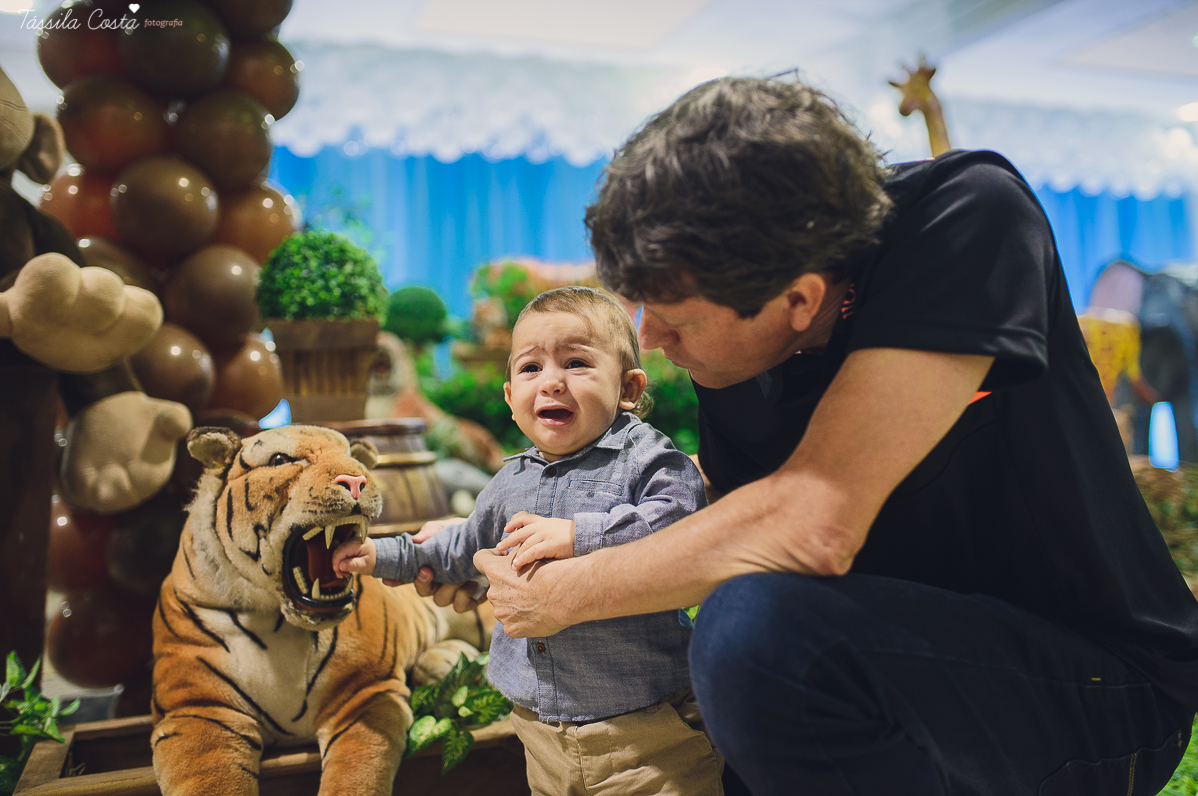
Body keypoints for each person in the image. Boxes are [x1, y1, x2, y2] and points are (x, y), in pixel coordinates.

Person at [442, 77, 1198, 795]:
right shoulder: (736, 335)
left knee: (759, 634)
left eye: (674, 318)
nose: (654, 340)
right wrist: (529, 539)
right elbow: (725, 514)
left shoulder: (965, 214)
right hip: (883, 666)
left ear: (798, 300)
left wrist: (570, 593)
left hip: (1099, 689)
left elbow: (811, 523)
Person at [333, 286, 721, 796]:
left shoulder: (644, 458)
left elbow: (680, 520)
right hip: (541, 736)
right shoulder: (508, 484)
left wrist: (580, 535)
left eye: (577, 362)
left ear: (628, 389)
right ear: (510, 396)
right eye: (530, 368)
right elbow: (456, 548)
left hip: (644, 735)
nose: (551, 382)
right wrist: (380, 553)